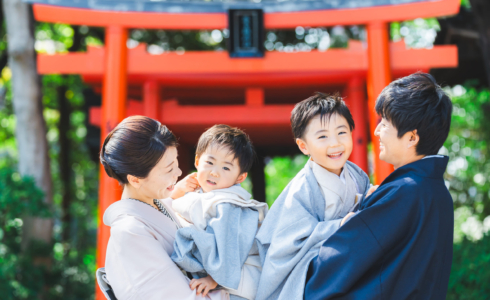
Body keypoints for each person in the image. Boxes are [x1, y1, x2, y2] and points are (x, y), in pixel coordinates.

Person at [304, 72, 454, 300]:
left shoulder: (405, 192)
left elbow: (341, 258)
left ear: (412, 138)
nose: (376, 131)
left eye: (384, 124)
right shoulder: (435, 191)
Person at [255, 93, 374, 300]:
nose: (335, 143)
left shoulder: (356, 174)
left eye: (342, 132)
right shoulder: (303, 188)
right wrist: (338, 226)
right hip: (315, 271)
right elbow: (290, 241)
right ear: (303, 146)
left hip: (344, 263)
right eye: (322, 137)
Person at [100, 116, 229, 300]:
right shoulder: (130, 232)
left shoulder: (160, 204)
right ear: (135, 179)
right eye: (169, 170)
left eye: (176, 162)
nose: (178, 173)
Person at [170, 124, 268, 300]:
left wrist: (213, 280)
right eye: (209, 162)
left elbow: (231, 245)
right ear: (198, 162)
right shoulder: (204, 195)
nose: (214, 172)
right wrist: (177, 191)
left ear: (240, 177)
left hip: (237, 288)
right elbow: (170, 207)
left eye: (226, 168)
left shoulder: (228, 205)